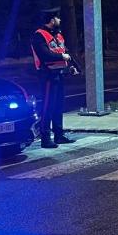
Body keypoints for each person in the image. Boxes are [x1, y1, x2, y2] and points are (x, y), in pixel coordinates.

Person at [30, 8, 78, 149]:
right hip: (48, 76)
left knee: (58, 106)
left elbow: (64, 52)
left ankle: (59, 135)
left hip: (59, 74)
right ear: (51, 20)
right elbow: (45, 55)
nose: (60, 20)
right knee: (47, 106)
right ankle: (45, 138)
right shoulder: (39, 36)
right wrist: (62, 57)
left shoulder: (58, 35)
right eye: (57, 18)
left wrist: (70, 66)